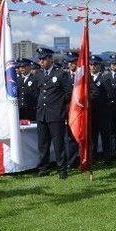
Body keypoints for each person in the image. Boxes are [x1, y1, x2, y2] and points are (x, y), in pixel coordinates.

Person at [34, 47, 73, 179]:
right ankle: (43, 168)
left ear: (50, 59)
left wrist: (59, 104)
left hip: (56, 114)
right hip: (42, 114)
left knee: (58, 144)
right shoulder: (38, 74)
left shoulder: (61, 73)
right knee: (43, 143)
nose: (41, 62)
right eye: (40, 59)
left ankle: (62, 168)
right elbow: (36, 91)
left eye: (43, 59)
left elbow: (69, 92)